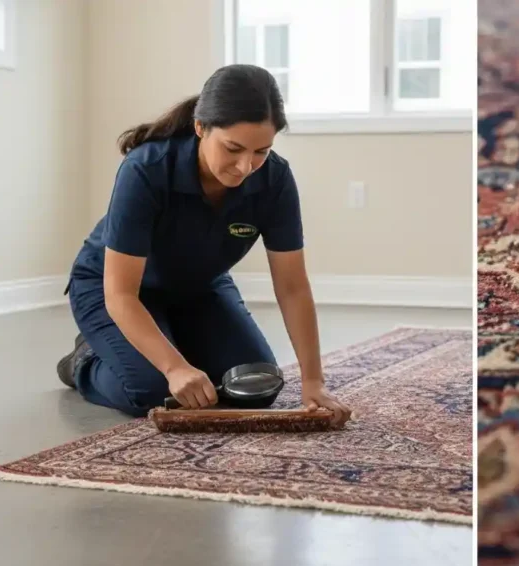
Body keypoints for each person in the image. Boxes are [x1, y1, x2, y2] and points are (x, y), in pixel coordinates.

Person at [56, 64, 351, 425]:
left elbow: (292, 287)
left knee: (256, 387)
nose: (245, 166)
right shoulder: (145, 169)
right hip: (113, 291)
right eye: (233, 148)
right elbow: (120, 294)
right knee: (153, 391)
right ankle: (85, 360)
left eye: (261, 151)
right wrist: (174, 367)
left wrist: (313, 381)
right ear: (200, 128)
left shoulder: (275, 180)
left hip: (197, 288)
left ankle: (171, 340)